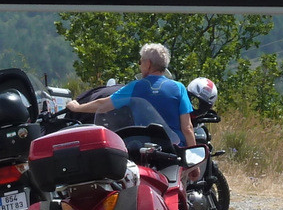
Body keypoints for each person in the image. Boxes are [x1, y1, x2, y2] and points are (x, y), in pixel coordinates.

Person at [67, 42, 196, 147]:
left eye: (141, 62)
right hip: (175, 149)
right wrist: (194, 157)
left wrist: (77, 107)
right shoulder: (179, 88)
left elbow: (103, 104)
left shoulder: (135, 86)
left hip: (144, 148)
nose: (140, 66)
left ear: (148, 64)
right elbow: (187, 128)